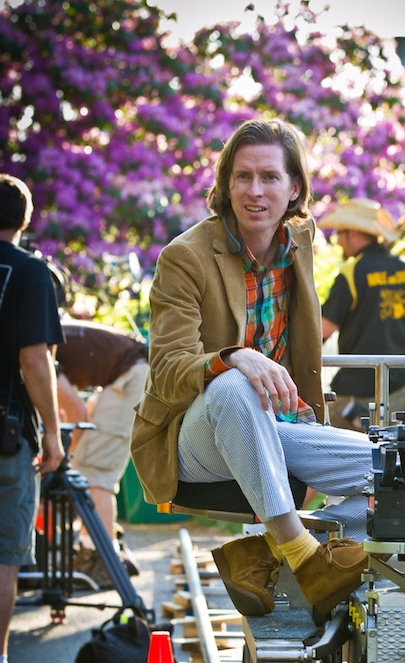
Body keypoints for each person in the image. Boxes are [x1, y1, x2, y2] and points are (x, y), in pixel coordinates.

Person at [131, 118, 374, 619]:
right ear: (225, 184)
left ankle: (263, 553)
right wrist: (234, 355)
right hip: (196, 435)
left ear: (295, 189)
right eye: (242, 177)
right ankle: (305, 555)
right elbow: (168, 370)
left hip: (275, 426)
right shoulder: (185, 257)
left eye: (269, 177)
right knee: (235, 383)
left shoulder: (300, 238)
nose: (254, 191)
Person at [0, 173, 65, 663]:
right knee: (0, 556)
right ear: (25, 218)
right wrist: (55, 432)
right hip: (3, 438)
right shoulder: (32, 274)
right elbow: (35, 359)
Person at [55, 318, 148, 587]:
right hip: (126, 375)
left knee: (94, 471)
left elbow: (75, 413)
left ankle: (104, 561)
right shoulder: (47, 329)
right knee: (92, 469)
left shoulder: (33, 346)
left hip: (132, 376)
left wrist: (66, 458)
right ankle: (96, 549)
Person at [318, 198, 405, 429]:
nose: (338, 242)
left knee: (346, 458)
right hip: (403, 385)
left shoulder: (352, 272)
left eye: (340, 234)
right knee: (394, 457)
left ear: (354, 234)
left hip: (359, 391)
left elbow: (323, 330)